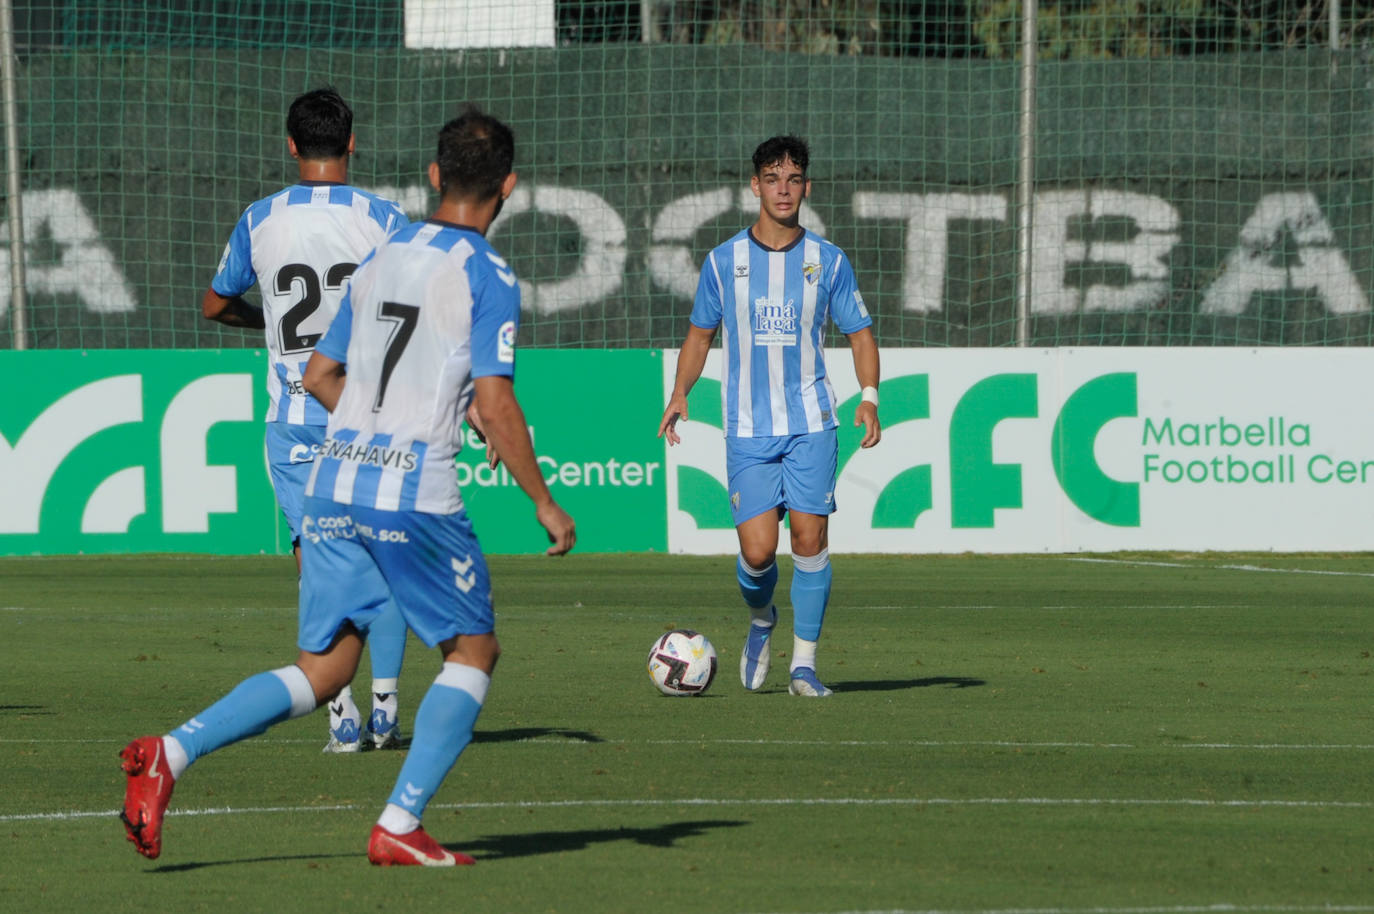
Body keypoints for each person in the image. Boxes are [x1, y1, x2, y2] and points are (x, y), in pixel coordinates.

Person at [120, 106, 576, 866]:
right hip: (412, 488)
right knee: (473, 649)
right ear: (510, 186)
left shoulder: (386, 257)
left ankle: (171, 752)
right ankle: (399, 822)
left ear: (435, 175)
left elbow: (319, 373)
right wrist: (543, 500)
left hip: (334, 473)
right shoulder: (483, 269)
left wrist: (371, 421)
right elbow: (495, 402)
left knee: (327, 667)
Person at [202, 87, 411, 752]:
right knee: (386, 552)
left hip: (294, 419)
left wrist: (266, 322)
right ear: (352, 143)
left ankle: (338, 712)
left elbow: (213, 304)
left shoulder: (259, 219)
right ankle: (385, 703)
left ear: (290, 146)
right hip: (364, 413)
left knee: (314, 564)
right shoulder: (385, 219)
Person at [657, 135, 881, 698]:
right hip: (749, 429)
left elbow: (860, 334)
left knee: (809, 540)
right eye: (773, 179)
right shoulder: (721, 260)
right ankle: (761, 621)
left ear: (806, 186)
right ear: (755, 185)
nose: (784, 189)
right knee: (757, 554)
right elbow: (699, 334)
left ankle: (803, 666)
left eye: (794, 179)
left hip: (813, 423)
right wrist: (681, 391)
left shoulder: (828, 261)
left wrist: (870, 395)